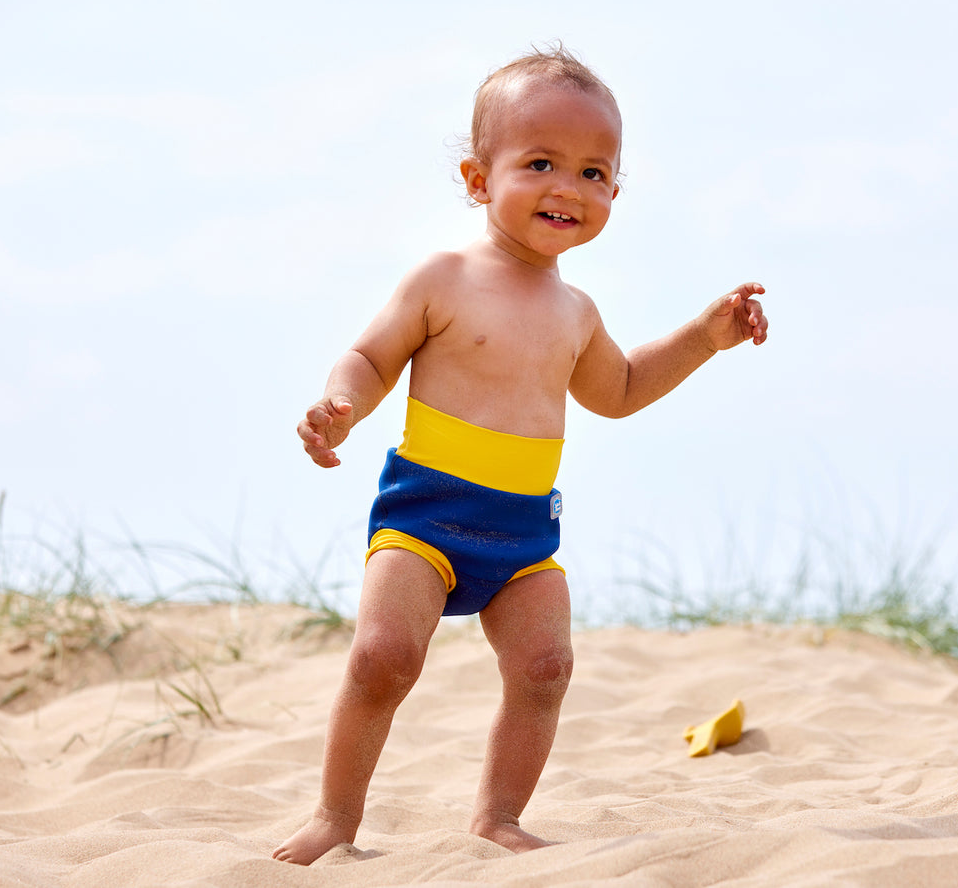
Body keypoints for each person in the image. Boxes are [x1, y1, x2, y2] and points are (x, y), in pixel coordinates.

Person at [274, 45, 768, 865]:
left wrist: (703, 339)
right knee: (381, 658)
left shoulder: (576, 311)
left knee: (544, 669)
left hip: (523, 534)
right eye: (540, 163)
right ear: (477, 179)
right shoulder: (443, 277)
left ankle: (498, 817)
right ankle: (334, 818)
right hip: (424, 516)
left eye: (593, 172)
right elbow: (369, 358)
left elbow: (620, 389)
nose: (568, 188)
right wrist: (342, 407)